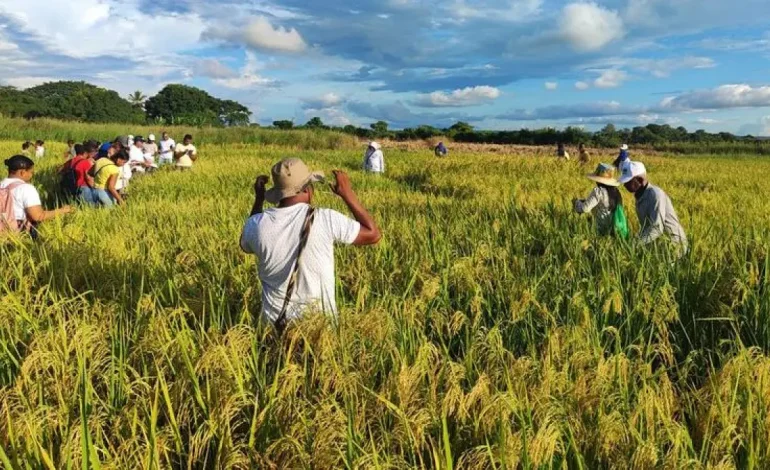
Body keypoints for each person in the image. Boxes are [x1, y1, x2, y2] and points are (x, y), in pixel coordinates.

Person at [240, 158, 381, 330]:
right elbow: (373, 234)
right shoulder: (325, 218)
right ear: (307, 188)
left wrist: (259, 200)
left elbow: (246, 244)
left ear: (277, 194)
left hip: (273, 329)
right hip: (319, 330)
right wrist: (348, 194)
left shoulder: (256, 224)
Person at [618, 161, 687, 254]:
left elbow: (656, 228)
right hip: (659, 243)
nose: (625, 185)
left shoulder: (655, 195)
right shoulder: (640, 196)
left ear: (639, 180)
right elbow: (647, 227)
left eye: (628, 181)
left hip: (673, 245)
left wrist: (633, 244)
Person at [1, 155, 72, 238]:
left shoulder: (1, 185)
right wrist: (63, 210)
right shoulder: (26, 188)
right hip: (19, 233)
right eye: (31, 172)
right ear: (22, 172)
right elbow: (38, 216)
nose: (32, 175)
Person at [573, 163, 627, 237]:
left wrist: (576, 203)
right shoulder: (616, 192)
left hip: (601, 230)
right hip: (614, 229)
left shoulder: (598, 192)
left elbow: (585, 208)